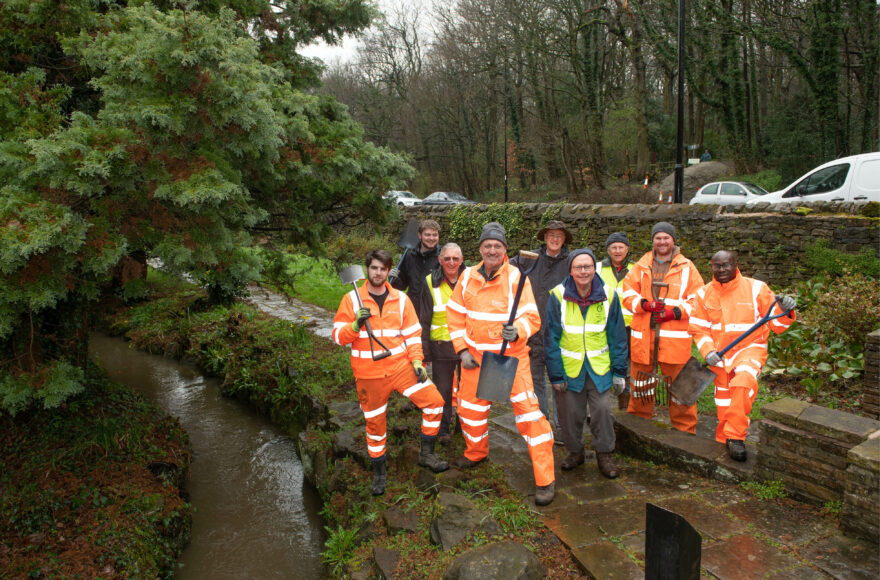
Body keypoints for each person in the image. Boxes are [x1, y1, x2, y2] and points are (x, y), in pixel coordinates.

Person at [446, 222, 557, 506]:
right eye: (487, 246)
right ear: (480, 249)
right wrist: (461, 350)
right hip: (476, 359)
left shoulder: (517, 277)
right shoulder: (467, 276)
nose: (492, 250)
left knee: (531, 416)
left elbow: (532, 317)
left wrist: (518, 329)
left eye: (497, 246)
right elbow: (455, 316)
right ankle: (476, 452)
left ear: (505, 250)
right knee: (470, 410)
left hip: (511, 359)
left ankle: (545, 479)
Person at [332, 249, 449, 496]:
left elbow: (413, 334)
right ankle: (379, 473)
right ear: (367, 269)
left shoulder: (401, 299)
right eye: (374, 268)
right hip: (369, 373)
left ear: (388, 271)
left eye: (383, 269)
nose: (378, 273)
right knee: (375, 425)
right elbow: (337, 336)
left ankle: (426, 454)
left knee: (435, 402)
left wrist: (417, 362)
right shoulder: (352, 300)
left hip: (400, 367)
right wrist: (354, 326)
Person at [688, 250, 797, 461]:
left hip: (750, 349)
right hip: (720, 356)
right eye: (717, 266)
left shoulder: (756, 289)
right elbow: (699, 329)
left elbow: (777, 325)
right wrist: (708, 351)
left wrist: (786, 309)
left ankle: (735, 437)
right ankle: (723, 443)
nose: (721, 270)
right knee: (724, 403)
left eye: (726, 265)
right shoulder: (703, 294)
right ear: (711, 266)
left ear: (735, 264)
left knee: (743, 381)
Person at [545, 248, 629, 478]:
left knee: (602, 411)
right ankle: (575, 452)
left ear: (594, 269)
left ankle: (605, 453)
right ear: (570, 271)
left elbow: (617, 336)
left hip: (599, 368)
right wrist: (555, 374)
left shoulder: (608, 295)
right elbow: (550, 338)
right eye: (578, 267)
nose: (583, 271)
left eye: (588, 267)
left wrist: (620, 371)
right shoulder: (558, 295)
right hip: (569, 368)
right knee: (570, 414)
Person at [620, 222, 704, 433]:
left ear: (673, 240)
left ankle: (685, 431)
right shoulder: (641, 265)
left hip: (674, 341)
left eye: (666, 237)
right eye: (658, 238)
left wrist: (674, 312)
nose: (662, 242)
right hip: (644, 338)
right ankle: (638, 428)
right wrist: (644, 305)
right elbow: (627, 294)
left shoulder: (687, 267)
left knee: (681, 389)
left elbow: (699, 300)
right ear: (653, 241)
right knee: (640, 387)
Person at [513, 220, 572, 427]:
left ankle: (562, 424)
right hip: (533, 328)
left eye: (559, 236)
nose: (554, 239)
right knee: (535, 378)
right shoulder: (529, 259)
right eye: (551, 235)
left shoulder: (571, 261)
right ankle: (541, 422)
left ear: (564, 239)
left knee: (560, 380)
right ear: (544, 238)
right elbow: (504, 270)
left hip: (560, 329)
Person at [416, 243, 466, 445]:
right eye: (447, 259)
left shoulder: (471, 279)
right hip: (440, 347)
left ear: (461, 260)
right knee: (443, 391)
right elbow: (424, 319)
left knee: (467, 391)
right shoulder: (429, 282)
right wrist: (424, 353)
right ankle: (443, 429)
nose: (451, 262)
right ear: (440, 260)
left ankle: (463, 427)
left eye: (455, 258)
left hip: (467, 347)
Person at [599, 232, 636, 410]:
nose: (618, 250)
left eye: (621, 247)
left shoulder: (637, 269)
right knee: (603, 363)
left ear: (627, 249)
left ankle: (624, 409)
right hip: (605, 325)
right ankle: (601, 406)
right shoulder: (598, 268)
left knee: (626, 367)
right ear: (608, 250)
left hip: (631, 327)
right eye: (614, 247)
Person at [390, 219, 441, 312]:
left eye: (435, 235)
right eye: (427, 234)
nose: (431, 238)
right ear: (419, 235)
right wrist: (394, 278)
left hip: (435, 310)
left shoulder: (443, 257)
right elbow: (401, 286)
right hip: (413, 309)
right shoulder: (409, 258)